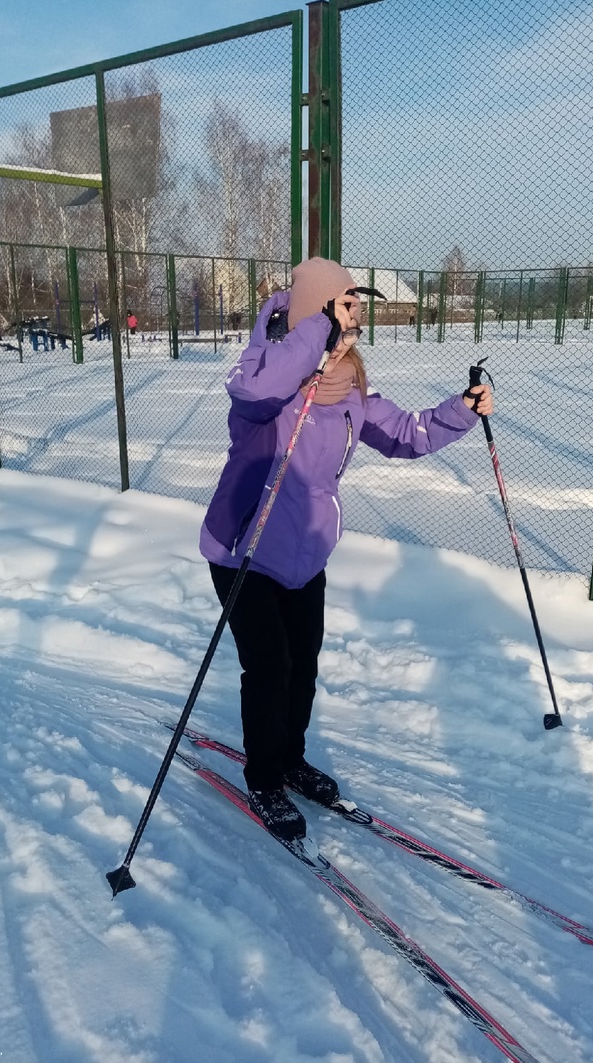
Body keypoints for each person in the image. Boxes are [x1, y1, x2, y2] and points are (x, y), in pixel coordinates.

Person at [199, 258, 492, 842]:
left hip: (306, 554)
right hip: (245, 553)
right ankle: (262, 779)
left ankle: (289, 758)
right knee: (270, 666)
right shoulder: (269, 383)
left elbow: (407, 433)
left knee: (302, 664)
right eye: (345, 304)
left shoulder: (352, 388)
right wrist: (313, 331)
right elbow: (252, 386)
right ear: (317, 312)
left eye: (357, 304)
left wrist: (461, 409)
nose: (356, 313)